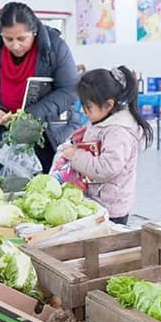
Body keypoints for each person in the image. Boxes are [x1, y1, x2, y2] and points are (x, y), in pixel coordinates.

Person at [0, 2, 81, 173]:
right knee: (7, 190)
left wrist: (32, 116)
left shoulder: (55, 48)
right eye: (8, 39)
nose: (15, 45)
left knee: (46, 190)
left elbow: (70, 90)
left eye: (22, 39)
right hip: (2, 138)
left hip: (49, 135)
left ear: (34, 32)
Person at [60, 67, 152, 226]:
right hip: (97, 199)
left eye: (87, 106)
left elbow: (106, 168)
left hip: (111, 208)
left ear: (109, 105)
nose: (82, 110)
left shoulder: (119, 133)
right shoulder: (103, 119)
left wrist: (75, 156)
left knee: (108, 246)